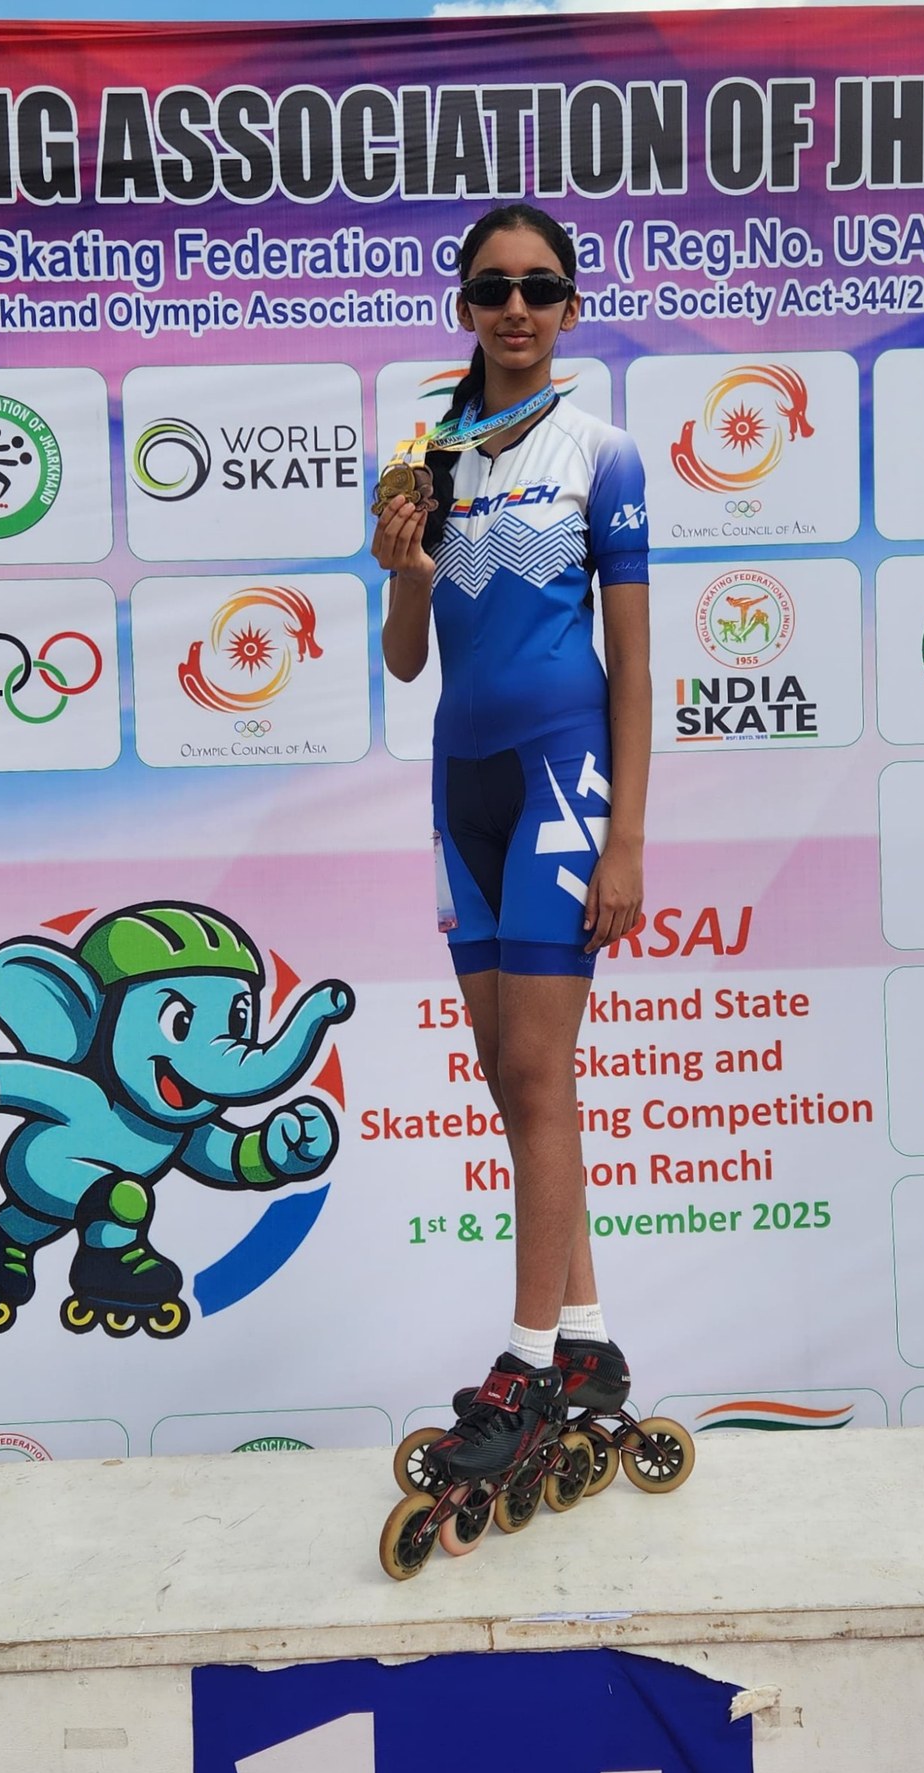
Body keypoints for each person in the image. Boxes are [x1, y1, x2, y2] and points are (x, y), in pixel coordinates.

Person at [373, 203, 650, 1492]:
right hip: (461, 786)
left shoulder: (605, 452)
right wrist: (407, 570)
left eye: (540, 286)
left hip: (562, 777)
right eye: (494, 287)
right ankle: (585, 1339)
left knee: (538, 1075)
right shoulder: (422, 454)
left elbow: (632, 663)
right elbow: (405, 659)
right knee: (511, 1078)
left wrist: (626, 838)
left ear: (570, 306)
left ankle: (527, 1364)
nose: (517, 308)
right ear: (466, 307)